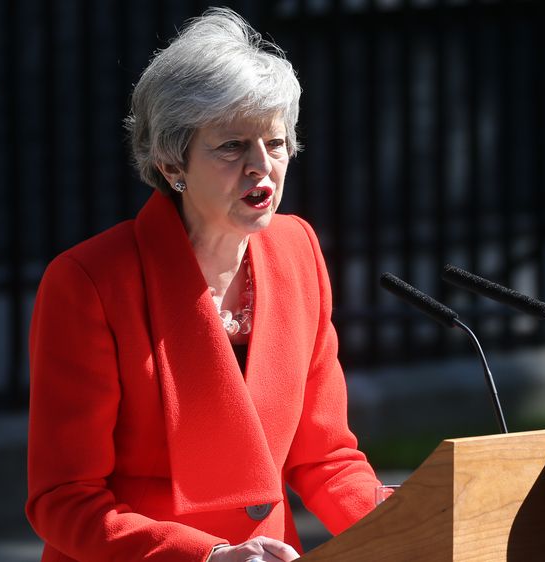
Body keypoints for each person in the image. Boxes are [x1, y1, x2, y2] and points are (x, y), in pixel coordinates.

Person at [25, 8, 381, 561]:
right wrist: (206, 557)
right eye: (232, 146)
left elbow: (324, 456)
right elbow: (62, 498)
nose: (262, 166)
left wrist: (404, 524)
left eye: (277, 143)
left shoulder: (297, 251)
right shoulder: (90, 283)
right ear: (172, 163)